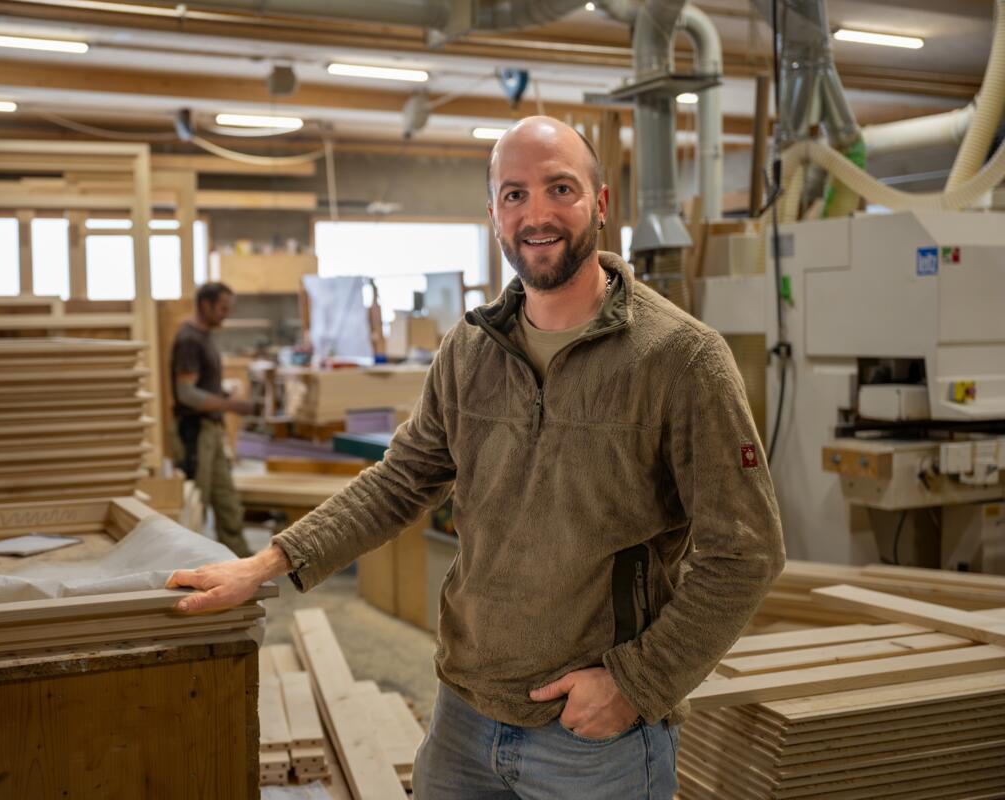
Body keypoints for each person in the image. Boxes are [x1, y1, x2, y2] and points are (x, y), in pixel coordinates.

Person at [166, 117, 785, 798]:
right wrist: (267, 563)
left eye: (560, 188)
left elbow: (745, 551)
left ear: (601, 205)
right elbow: (398, 484)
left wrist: (637, 684)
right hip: (463, 718)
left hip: (593, 741)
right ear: (492, 213)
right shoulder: (469, 351)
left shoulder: (681, 359)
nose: (537, 214)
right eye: (514, 194)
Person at [171, 282, 257, 558]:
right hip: (194, 431)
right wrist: (232, 405)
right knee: (196, 500)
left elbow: (201, 388)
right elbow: (186, 394)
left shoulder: (205, 336)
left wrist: (221, 395)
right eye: (222, 308)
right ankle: (192, 563)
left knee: (226, 498)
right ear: (205, 305)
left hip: (210, 428)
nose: (226, 314)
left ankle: (240, 559)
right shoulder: (189, 339)